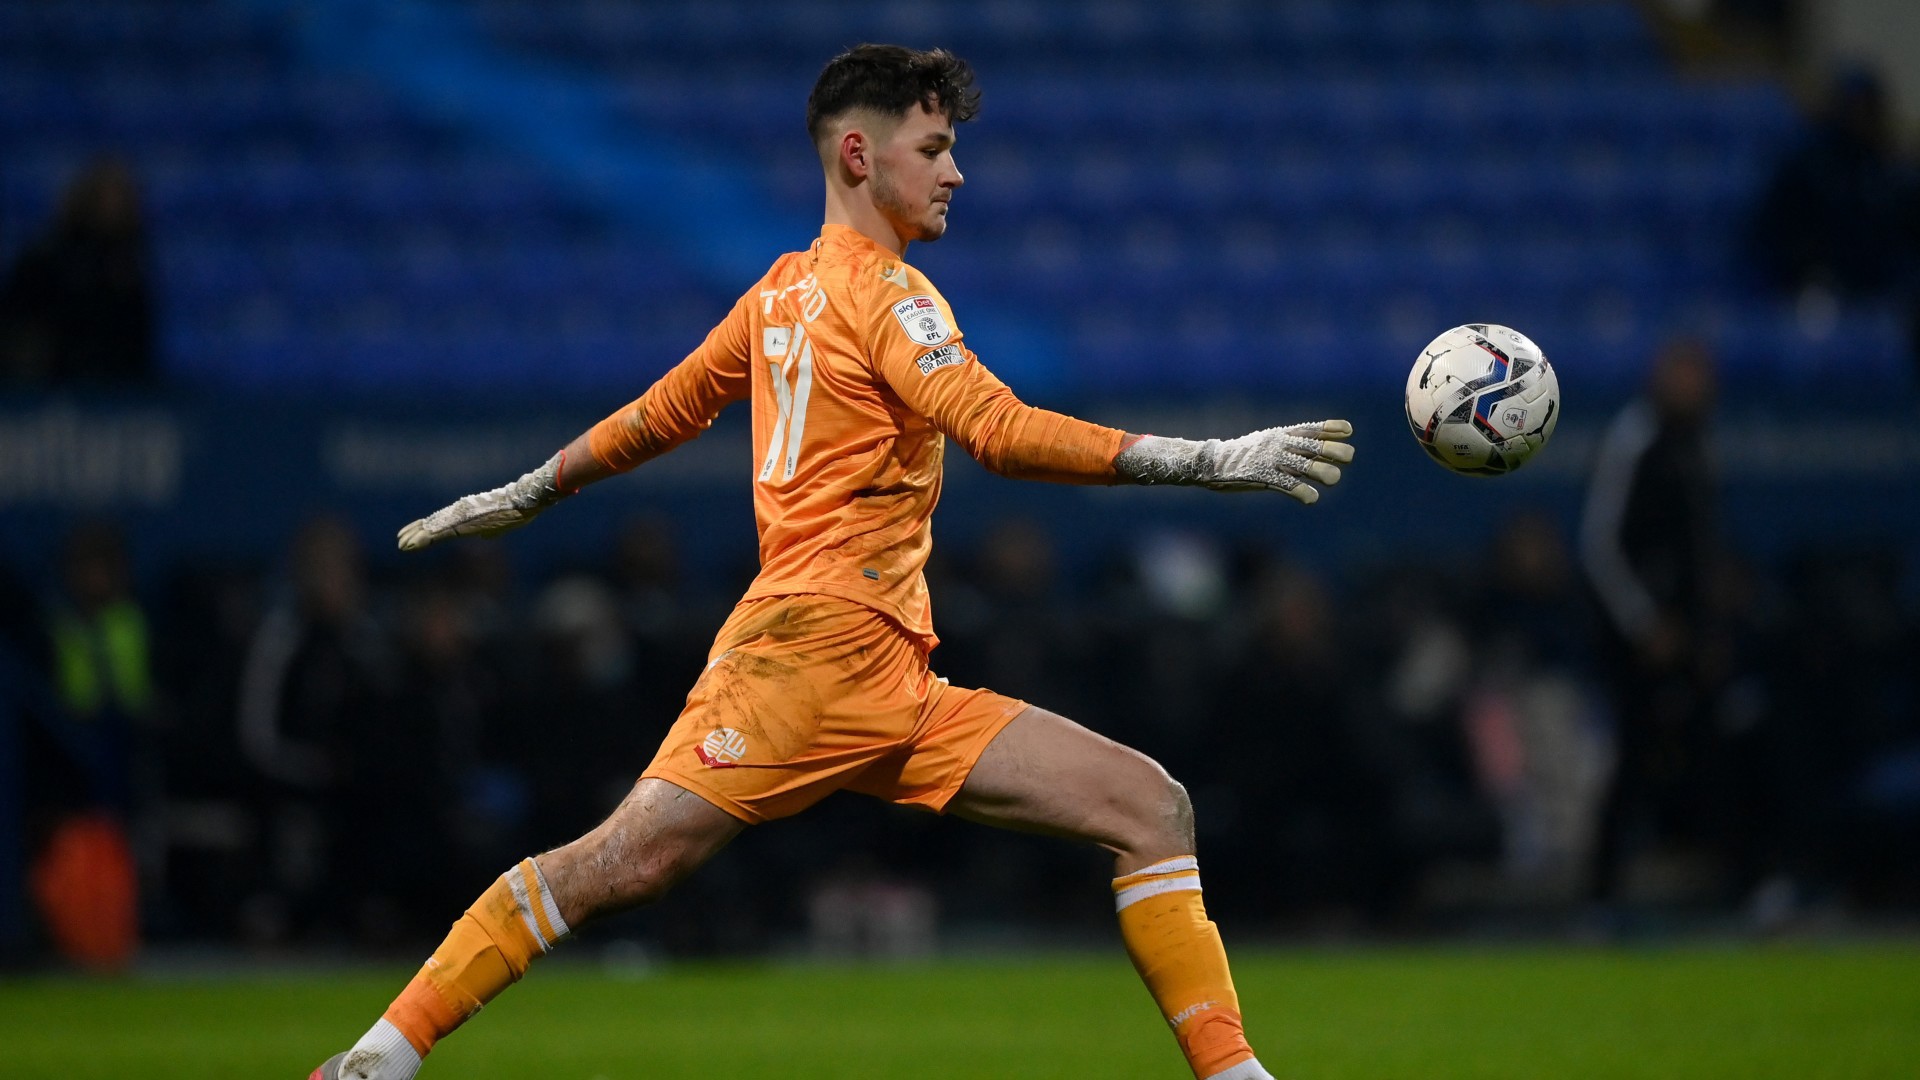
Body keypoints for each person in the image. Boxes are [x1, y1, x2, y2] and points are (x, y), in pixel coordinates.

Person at [310, 45, 1353, 1080]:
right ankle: (376, 1060)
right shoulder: (890, 298)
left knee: (1148, 806)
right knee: (620, 865)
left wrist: (535, 488)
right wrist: (1207, 459)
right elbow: (995, 429)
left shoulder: (779, 295)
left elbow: (659, 414)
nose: (956, 173)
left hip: (890, 678)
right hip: (805, 660)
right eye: (935, 148)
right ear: (859, 154)